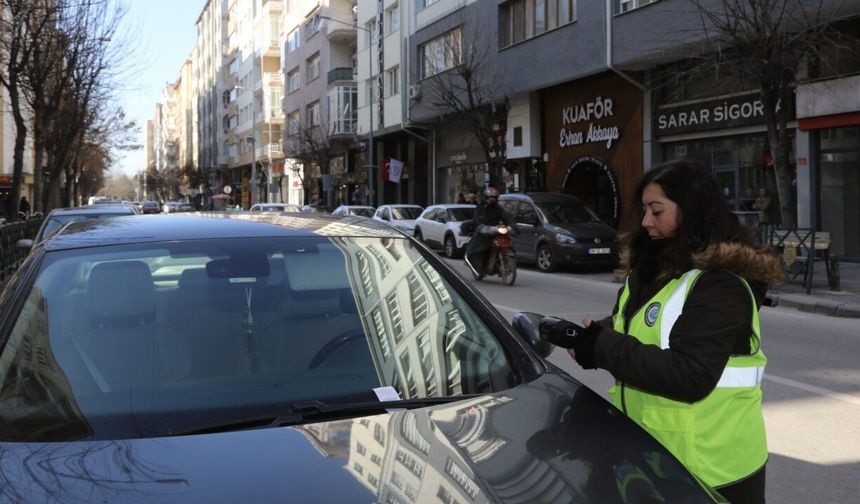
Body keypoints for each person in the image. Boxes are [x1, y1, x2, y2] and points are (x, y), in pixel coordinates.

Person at [548, 160, 782, 503]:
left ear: (692, 211)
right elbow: (634, 326)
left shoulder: (719, 283)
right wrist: (593, 337)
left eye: (657, 211)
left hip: (711, 470)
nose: (645, 222)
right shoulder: (652, 266)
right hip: (650, 455)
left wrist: (603, 347)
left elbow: (690, 374)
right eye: (644, 210)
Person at [464, 186, 512, 279]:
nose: (492, 199)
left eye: (494, 197)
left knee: (508, 242)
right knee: (477, 248)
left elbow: (505, 217)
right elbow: (477, 218)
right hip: (483, 232)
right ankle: (479, 266)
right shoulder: (481, 207)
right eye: (490, 197)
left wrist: (511, 225)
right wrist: (481, 226)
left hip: (495, 231)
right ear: (486, 197)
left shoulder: (498, 208)